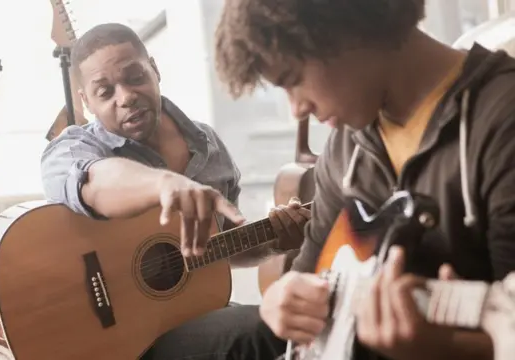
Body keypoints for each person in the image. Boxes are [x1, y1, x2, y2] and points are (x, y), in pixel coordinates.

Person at [214, 0, 515, 360]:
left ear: (343, 28)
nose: (296, 109)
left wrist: (450, 350)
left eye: (293, 80)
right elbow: (309, 274)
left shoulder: (503, 121)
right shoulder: (344, 148)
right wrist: (282, 300)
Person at [41, 23, 304, 359]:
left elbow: (219, 245)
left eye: (135, 77)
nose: (126, 97)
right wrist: (164, 183)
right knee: (264, 329)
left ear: (154, 68)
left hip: (187, 317)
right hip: (115, 341)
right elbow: (92, 183)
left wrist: (274, 241)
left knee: (291, 324)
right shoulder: (74, 148)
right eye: (105, 92)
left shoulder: (208, 146)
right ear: (86, 101)